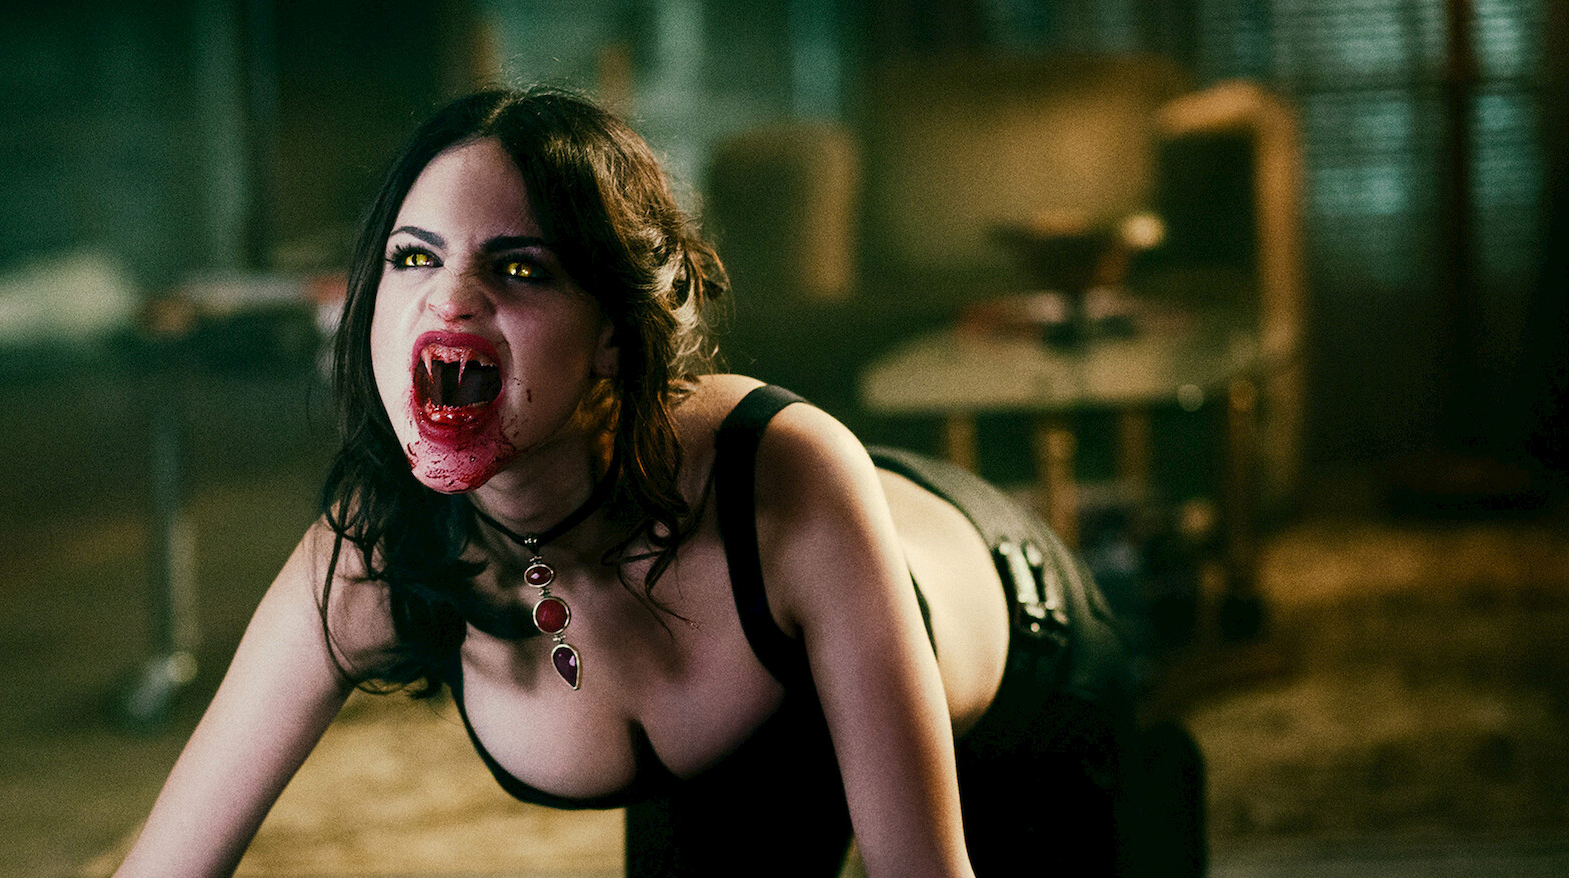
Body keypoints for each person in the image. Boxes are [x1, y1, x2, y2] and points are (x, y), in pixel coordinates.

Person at [113, 88, 1167, 878]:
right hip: (730, 769)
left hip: (1033, 694)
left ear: (615, 335)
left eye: (520, 267)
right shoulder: (365, 557)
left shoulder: (790, 474)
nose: (451, 301)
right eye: (414, 258)